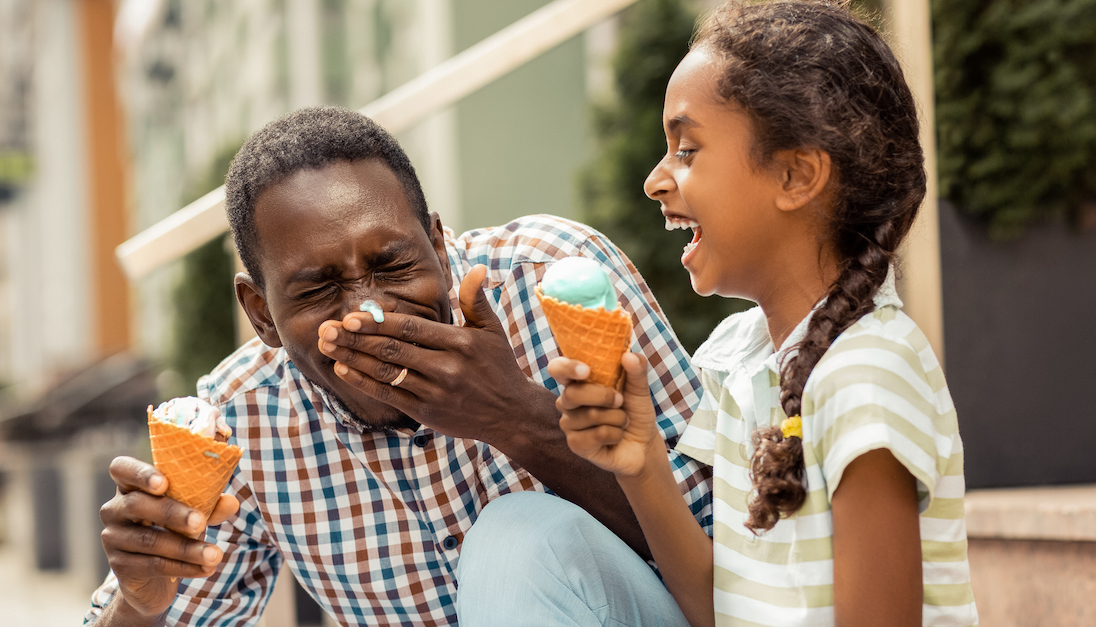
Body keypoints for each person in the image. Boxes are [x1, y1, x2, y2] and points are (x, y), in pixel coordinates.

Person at [85, 106, 711, 626]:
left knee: (518, 538)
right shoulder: (242, 420)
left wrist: (518, 422)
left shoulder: (554, 282)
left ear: (438, 244)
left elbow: (731, 548)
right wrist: (140, 605)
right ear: (261, 314)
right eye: (317, 289)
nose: (367, 313)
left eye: (392, 266)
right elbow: (163, 603)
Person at [459, 2, 979, 626]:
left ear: (795, 174)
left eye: (687, 148)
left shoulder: (869, 375)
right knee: (515, 532)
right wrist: (642, 456)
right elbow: (718, 608)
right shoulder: (738, 357)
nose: (656, 179)